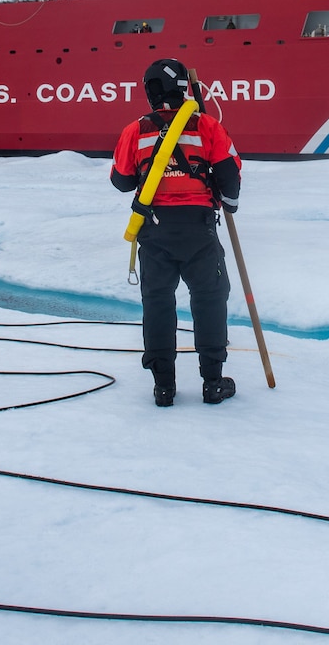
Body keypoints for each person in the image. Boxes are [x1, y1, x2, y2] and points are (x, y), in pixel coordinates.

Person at [111, 59, 242, 407]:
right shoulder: (206, 126)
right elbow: (230, 176)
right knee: (210, 299)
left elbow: (121, 181)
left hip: (154, 231)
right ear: (185, 88)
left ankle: (163, 386)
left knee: (157, 303)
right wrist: (228, 203)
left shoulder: (134, 131)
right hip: (199, 229)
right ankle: (213, 381)